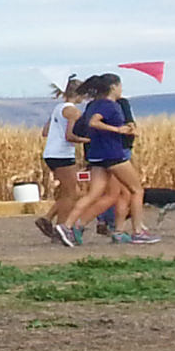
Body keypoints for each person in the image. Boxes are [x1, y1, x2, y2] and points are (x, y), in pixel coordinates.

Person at [76, 75, 151, 243]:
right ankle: (134, 231)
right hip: (115, 153)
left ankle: (108, 228)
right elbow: (94, 124)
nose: (121, 89)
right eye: (120, 85)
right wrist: (119, 130)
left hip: (98, 154)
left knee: (114, 193)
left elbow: (81, 128)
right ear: (113, 87)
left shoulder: (93, 105)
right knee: (130, 191)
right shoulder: (113, 105)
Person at [33, 84, 81, 242]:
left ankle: (48, 218)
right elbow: (70, 136)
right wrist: (88, 139)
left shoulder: (58, 108)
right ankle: (61, 228)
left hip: (51, 153)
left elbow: (45, 132)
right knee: (71, 194)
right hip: (63, 154)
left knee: (70, 192)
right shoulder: (73, 111)